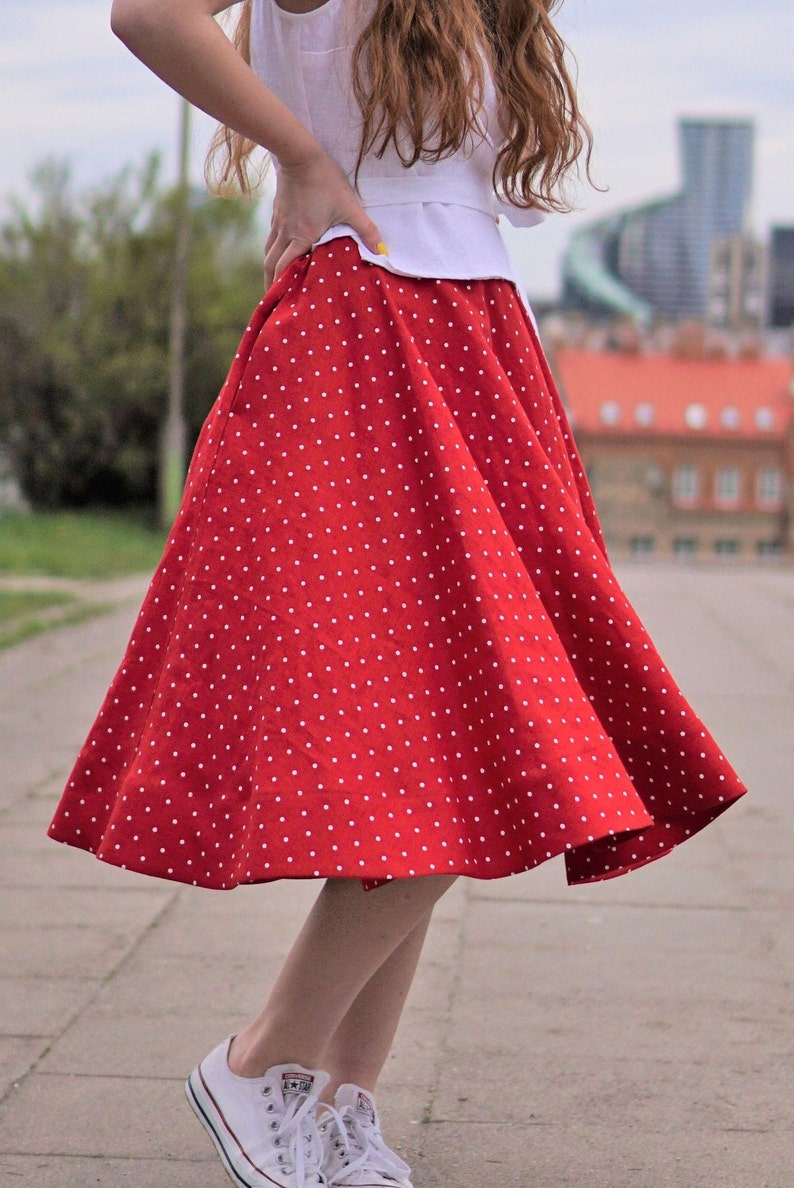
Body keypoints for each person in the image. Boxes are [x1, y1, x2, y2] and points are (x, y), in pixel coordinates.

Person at [47, 0, 748, 1185]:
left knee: (439, 776)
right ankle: (258, 1062)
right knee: (485, 750)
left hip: (477, 341)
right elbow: (148, 11)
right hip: (372, 345)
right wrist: (301, 154)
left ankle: (336, 1109)